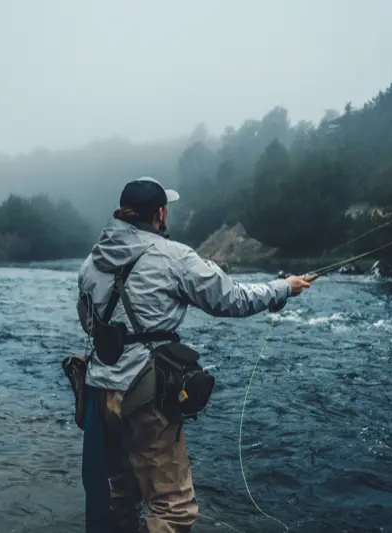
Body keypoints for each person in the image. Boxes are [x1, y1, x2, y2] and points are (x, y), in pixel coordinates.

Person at [75, 176, 316, 533]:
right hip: (145, 397)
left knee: (118, 496)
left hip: (98, 392)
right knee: (174, 510)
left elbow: (87, 320)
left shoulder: (92, 261)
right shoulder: (175, 257)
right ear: (160, 213)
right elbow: (232, 299)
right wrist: (284, 288)